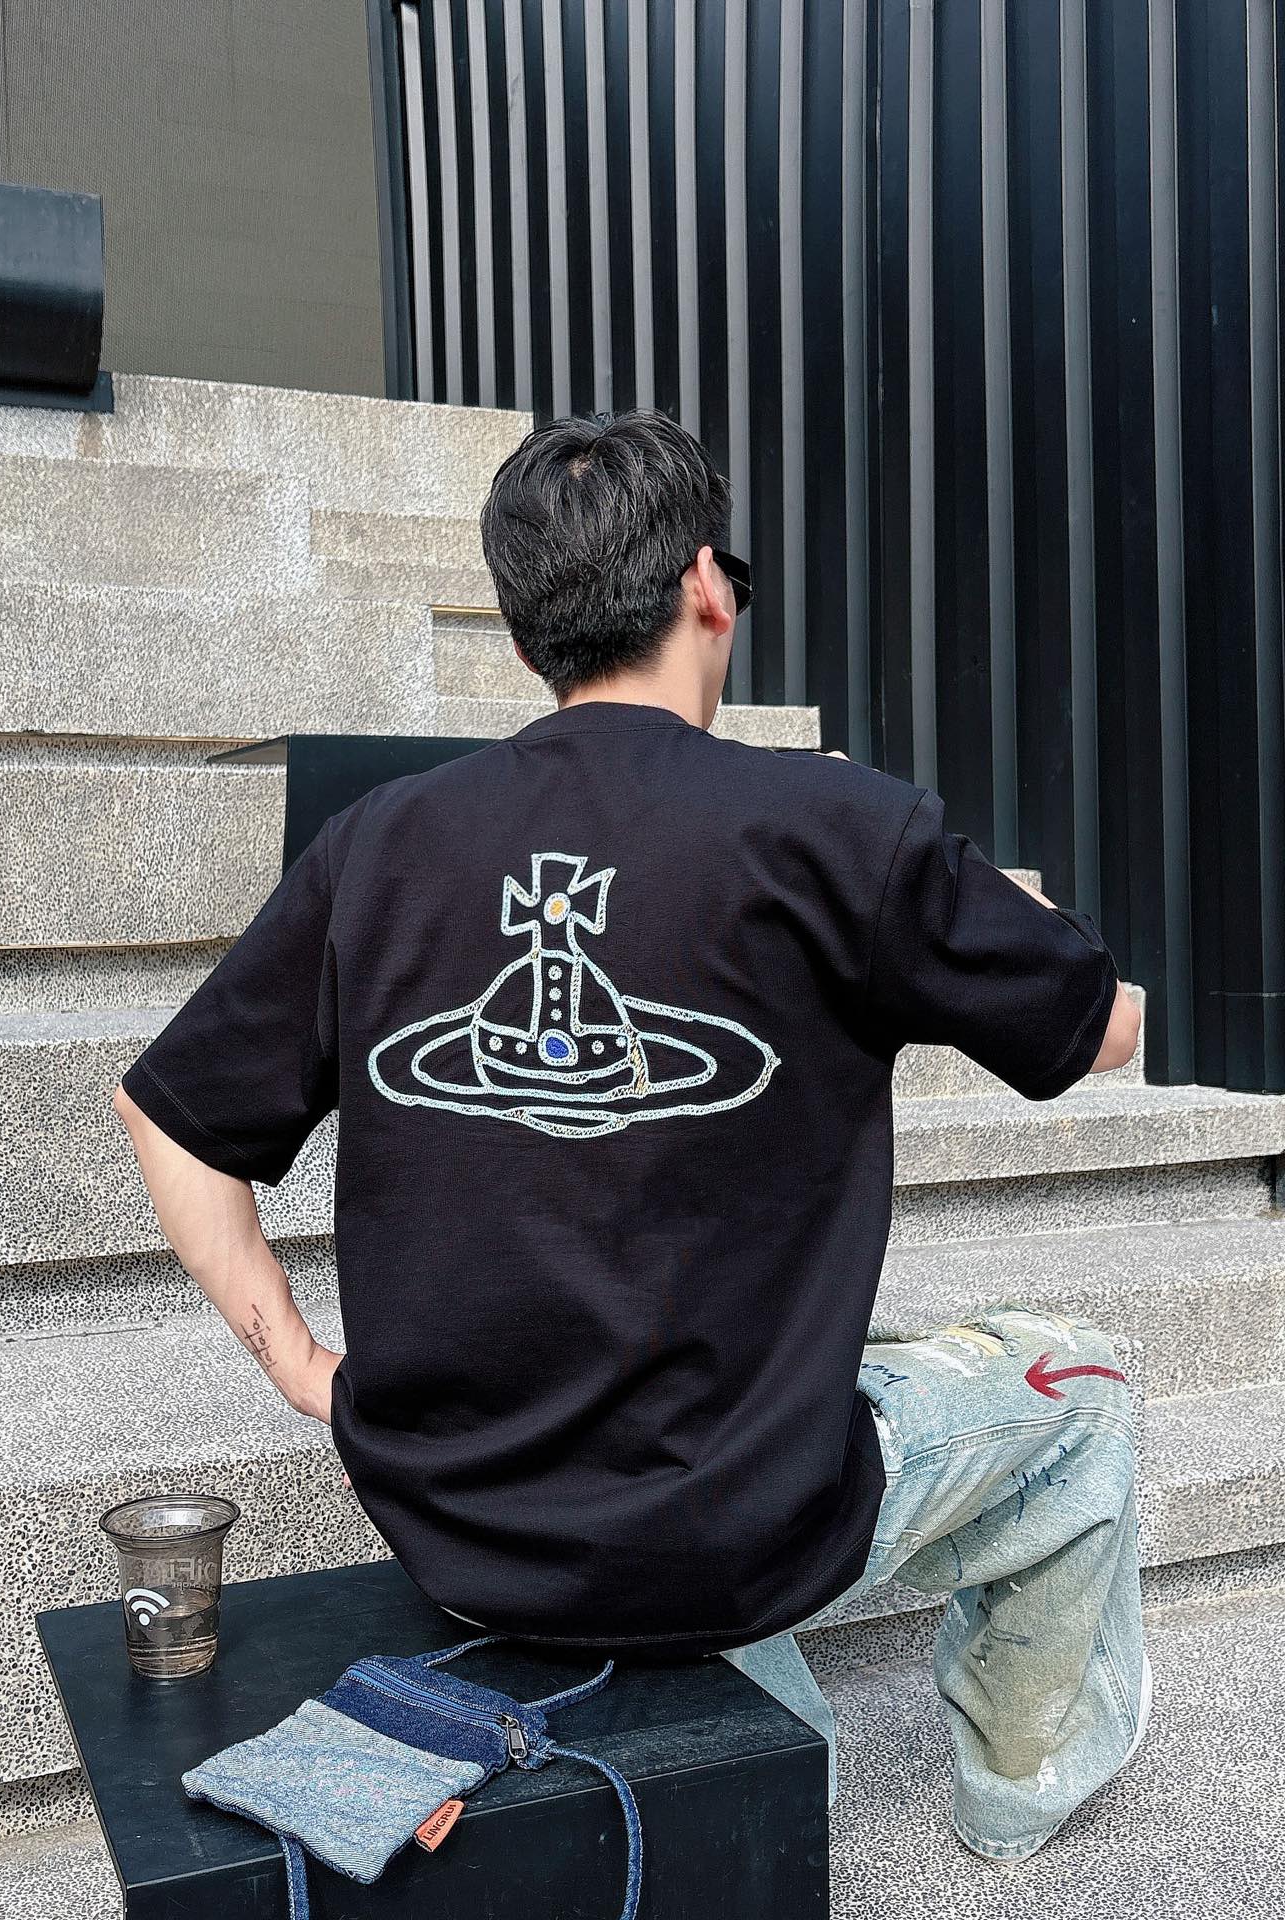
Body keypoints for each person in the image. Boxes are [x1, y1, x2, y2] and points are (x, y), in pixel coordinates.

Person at [114, 408, 1146, 1866]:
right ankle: (1013, 1822)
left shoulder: (380, 841)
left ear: (523, 632)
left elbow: (168, 1116)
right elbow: (1100, 1030)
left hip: (459, 1536)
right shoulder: (839, 828)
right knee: (1080, 1390)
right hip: (733, 1536)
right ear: (707, 585)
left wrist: (297, 1363)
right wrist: (1024, 928)